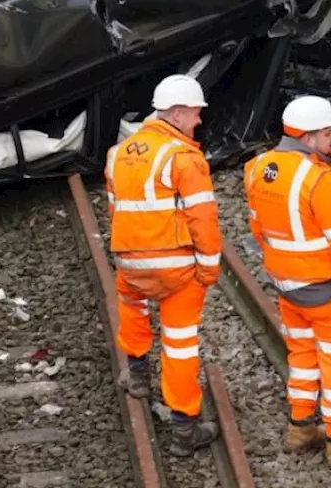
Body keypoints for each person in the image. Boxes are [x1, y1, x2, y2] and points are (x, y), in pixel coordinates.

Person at [243, 95, 331, 470]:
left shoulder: (257, 168)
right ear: (308, 136)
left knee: (302, 358)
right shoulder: (320, 181)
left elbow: (257, 228)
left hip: (288, 288)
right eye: (329, 132)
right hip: (328, 291)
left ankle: (300, 429)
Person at [105, 74, 222, 456]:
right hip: (175, 271)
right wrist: (208, 269)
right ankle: (184, 430)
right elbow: (202, 219)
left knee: (133, 310)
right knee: (180, 345)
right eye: (195, 114)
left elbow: (115, 207)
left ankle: (137, 378)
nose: (199, 122)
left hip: (130, 264)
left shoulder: (119, 153)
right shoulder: (183, 158)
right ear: (176, 113)